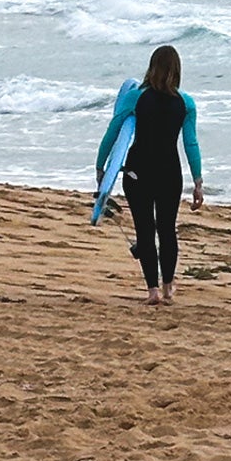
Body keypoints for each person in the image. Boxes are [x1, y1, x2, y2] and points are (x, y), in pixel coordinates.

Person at [95, 45, 203, 305]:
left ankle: (152, 291)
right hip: (169, 172)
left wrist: (102, 167)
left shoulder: (136, 98)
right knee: (167, 230)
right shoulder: (185, 103)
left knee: (145, 229)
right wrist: (198, 181)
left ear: (151, 66)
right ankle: (167, 287)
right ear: (177, 69)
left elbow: (113, 132)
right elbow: (191, 143)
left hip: (138, 171)